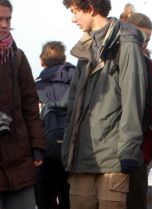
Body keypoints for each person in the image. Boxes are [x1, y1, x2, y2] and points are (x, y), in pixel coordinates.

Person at [61, 0, 147, 209]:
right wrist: (67, 151)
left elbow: (133, 100)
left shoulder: (126, 44)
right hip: (82, 157)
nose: (73, 19)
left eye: (75, 12)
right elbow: (73, 106)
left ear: (90, 7)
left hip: (113, 159)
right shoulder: (84, 48)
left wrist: (127, 150)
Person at [120, 5, 152, 209]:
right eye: (139, 37)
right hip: (104, 154)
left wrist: (142, 119)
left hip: (138, 154)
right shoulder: (106, 63)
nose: (143, 44)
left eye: (147, 39)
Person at [0, 0, 46, 208]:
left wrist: (37, 146)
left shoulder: (18, 57)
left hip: (19, 157)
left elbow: (30, 105)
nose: (4, 24)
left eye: (8, 19)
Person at [35, 41, 75, 209]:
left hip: (46, 150)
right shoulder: (77, 83)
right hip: (73, 149)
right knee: (70, 198)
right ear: (64, 60)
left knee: (45, 198)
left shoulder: (36, 86)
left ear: (42, 61)